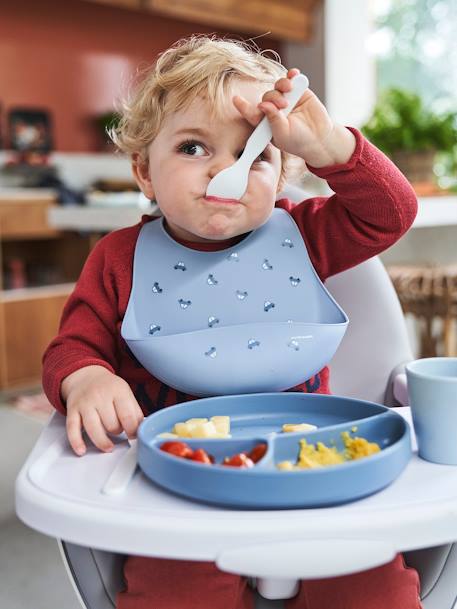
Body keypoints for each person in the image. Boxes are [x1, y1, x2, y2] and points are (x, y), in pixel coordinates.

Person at [42, 35, 421, 609]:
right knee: (172, 596)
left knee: (375, 589)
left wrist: (330, 145)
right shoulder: (119, 258)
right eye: (194, 148)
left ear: (280, 174)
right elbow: (72, 347)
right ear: (145, 172)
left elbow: (392, 212)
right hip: (181, 484)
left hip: (314, 473)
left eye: (255, 155)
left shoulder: (306, 233)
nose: (227, 170)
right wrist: (88, 378)